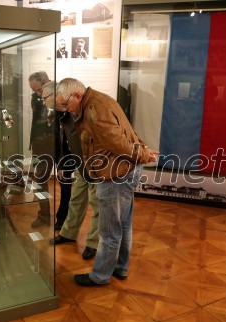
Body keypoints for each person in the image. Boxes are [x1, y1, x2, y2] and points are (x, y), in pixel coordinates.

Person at [55, 78, 158, 286]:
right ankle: (120, 268)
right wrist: (142, 150)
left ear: (77, 96)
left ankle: (100, 276)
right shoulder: (99, 100)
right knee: (123, 224)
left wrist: (144, 155)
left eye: (65, 104)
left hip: (116, 174)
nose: (64, 109)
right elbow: (126, 130)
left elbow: (118, 142)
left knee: (109, 230)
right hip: (124, 170)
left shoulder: (95, 110)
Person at [42, 82, 99, 260]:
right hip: (79, 162)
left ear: (57, 95)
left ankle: (93, 243)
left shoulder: (85, 110)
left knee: (97, 204)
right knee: (76, 199)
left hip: (96, 164)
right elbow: (65, 140)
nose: (43, 102)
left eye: (44, 98)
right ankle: (68, 233)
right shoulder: (62, 113)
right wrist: (63, 164)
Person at [28, 71, 54, 228]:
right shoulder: (36, 97)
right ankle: (44, 215)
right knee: (40, 179)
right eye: (33, 90)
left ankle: (58, 217)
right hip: (39, 142)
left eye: (38, 89)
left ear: (46, 82)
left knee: (44, 179)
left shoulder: (58, 94)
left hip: (51, 142)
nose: (36, 93)